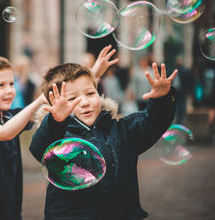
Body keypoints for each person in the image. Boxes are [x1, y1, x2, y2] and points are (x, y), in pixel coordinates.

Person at [0, 45, 117, 220]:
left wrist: (93, 74)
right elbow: (6, 132)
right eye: (1, 85)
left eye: (12, 83)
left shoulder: (8, 116)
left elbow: (53, 108)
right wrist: (38, 101)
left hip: (9, 204)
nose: (9, 90)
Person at [29, 62, 178, 219]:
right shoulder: (57, 138)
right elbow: (39, 148)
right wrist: (55, 122)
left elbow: (152, 123)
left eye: (90, 94)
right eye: (73, 98)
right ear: (55, 105)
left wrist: (161, 99)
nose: (85, 102)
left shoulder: (121, 130)